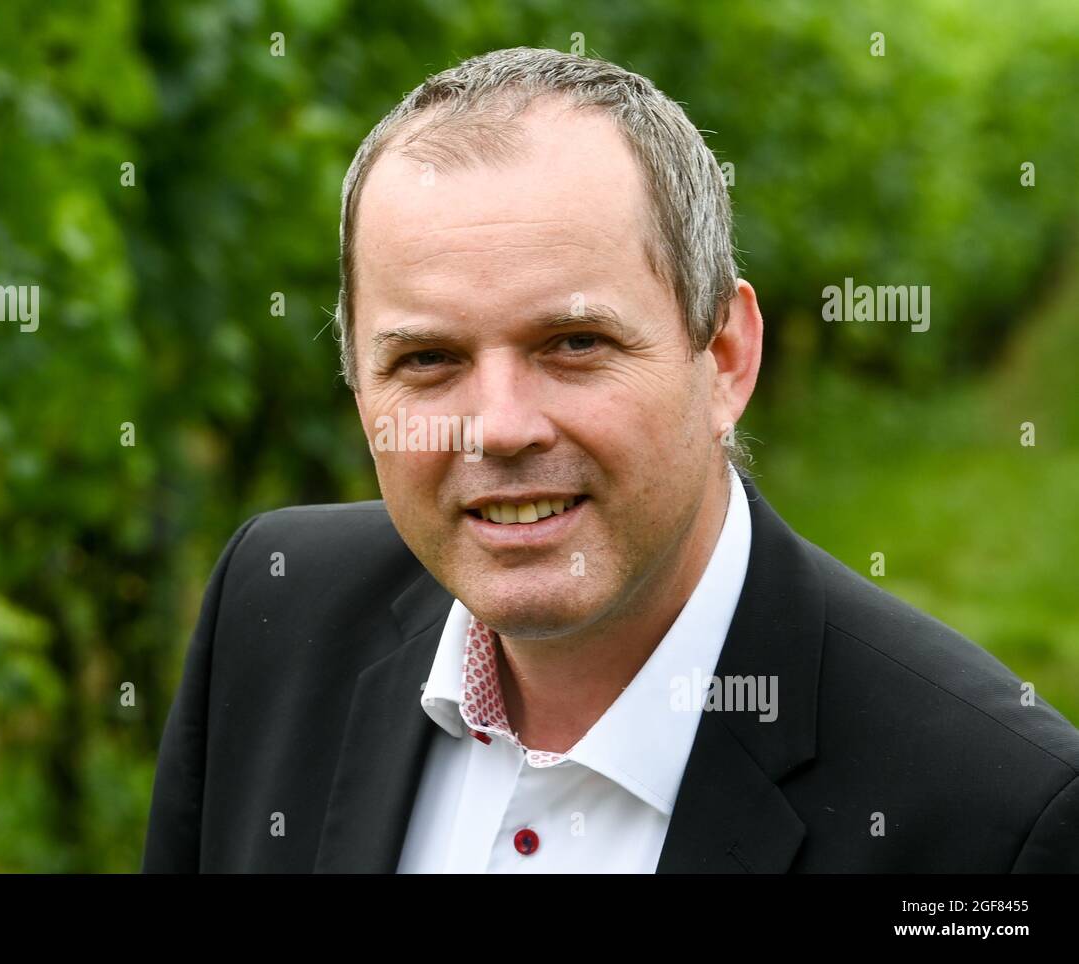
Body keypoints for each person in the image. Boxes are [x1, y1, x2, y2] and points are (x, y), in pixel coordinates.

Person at [143, 47, 1079, 872]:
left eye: (575, 344)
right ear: (359, 386)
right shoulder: (269, 615)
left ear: (725, 359)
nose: (499, 428)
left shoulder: (997, 817)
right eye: (428, 359)